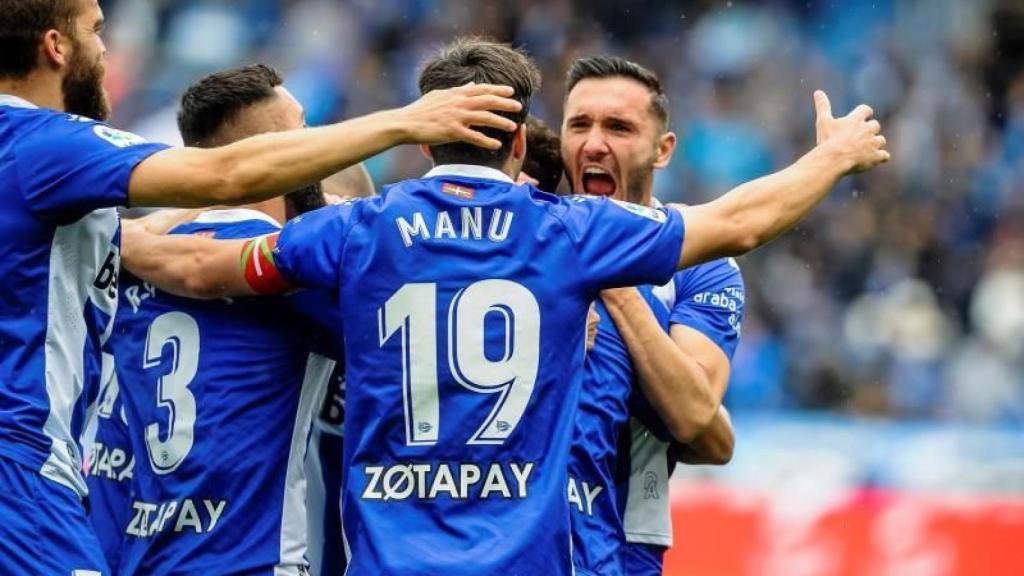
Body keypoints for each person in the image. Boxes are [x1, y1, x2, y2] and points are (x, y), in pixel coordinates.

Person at [118, 36, 887, 574]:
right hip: (524, 557)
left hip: (390, 563)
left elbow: (210, 264)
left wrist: (115, 239)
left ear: (426, 141)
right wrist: (830, 159)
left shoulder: (356, 232)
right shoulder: (572, 234)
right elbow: (739, 222)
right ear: (524, 144)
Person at [0, 1, 519, 571]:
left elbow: (152, 235)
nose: (107, 49)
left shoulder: (109, 235)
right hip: (46, 482)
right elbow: (225, 176)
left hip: (132, 542)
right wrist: (406, 122)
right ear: (56, 45)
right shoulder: (43, 141)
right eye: (97, 31)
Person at [560, 55, 745, 575]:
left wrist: (609, 277)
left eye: (618, 127)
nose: (594, 143)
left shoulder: (702, 267)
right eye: (579, 125)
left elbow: (695, 416)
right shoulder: (528, 236)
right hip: (509, 529)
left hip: (622, 542)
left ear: (662, 150)